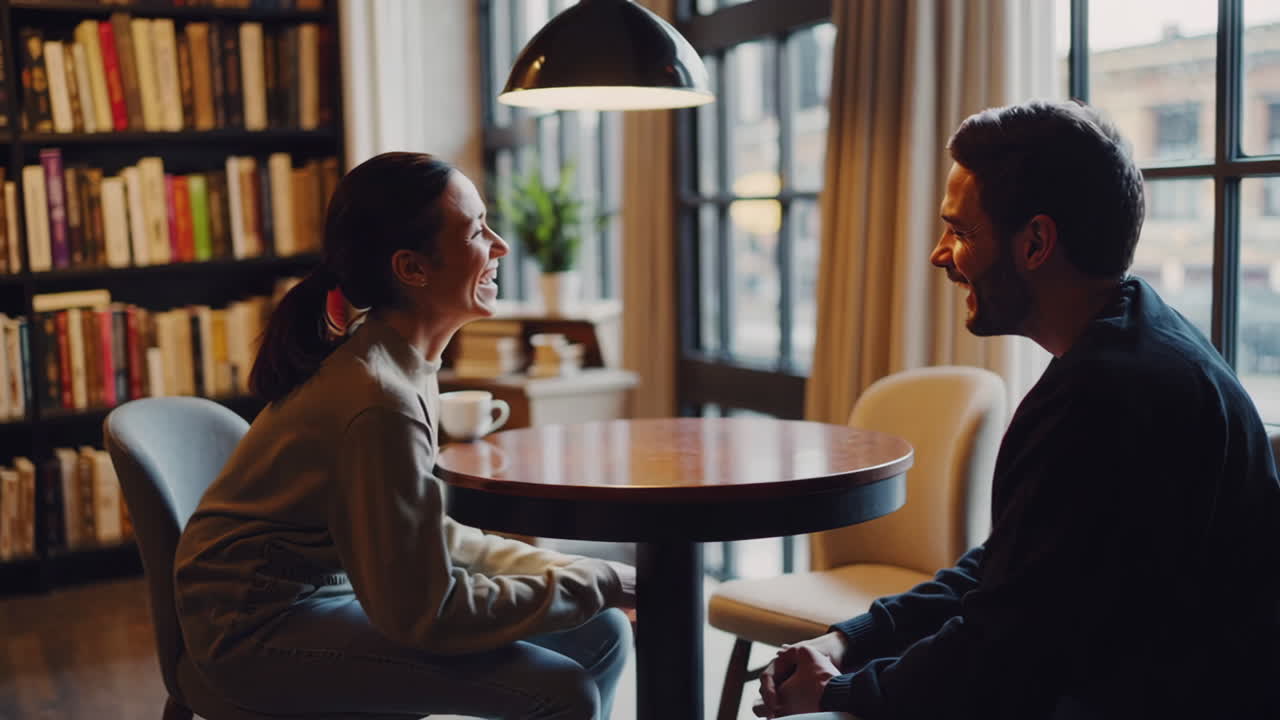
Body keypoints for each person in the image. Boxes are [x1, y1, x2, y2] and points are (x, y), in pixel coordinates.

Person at [757, 101, 1280, 720]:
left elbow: (1000, 655)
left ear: (1035, 242)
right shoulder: (1138, 337)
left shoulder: (1105, 395)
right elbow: (1016, 574)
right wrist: (852, 638)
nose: (940, 253)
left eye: (961, 231)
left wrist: (839, 693)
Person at [174, 152, 636, 720]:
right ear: (412, 268)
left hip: (327, 595)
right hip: (253, 633)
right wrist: (593, 582)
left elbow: (427, 538)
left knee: (603, 632)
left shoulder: (401, 361)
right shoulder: (379, 400)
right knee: (561, 691)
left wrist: (575, 575)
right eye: (476, 230)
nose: (501, 246)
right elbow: (427, 613)